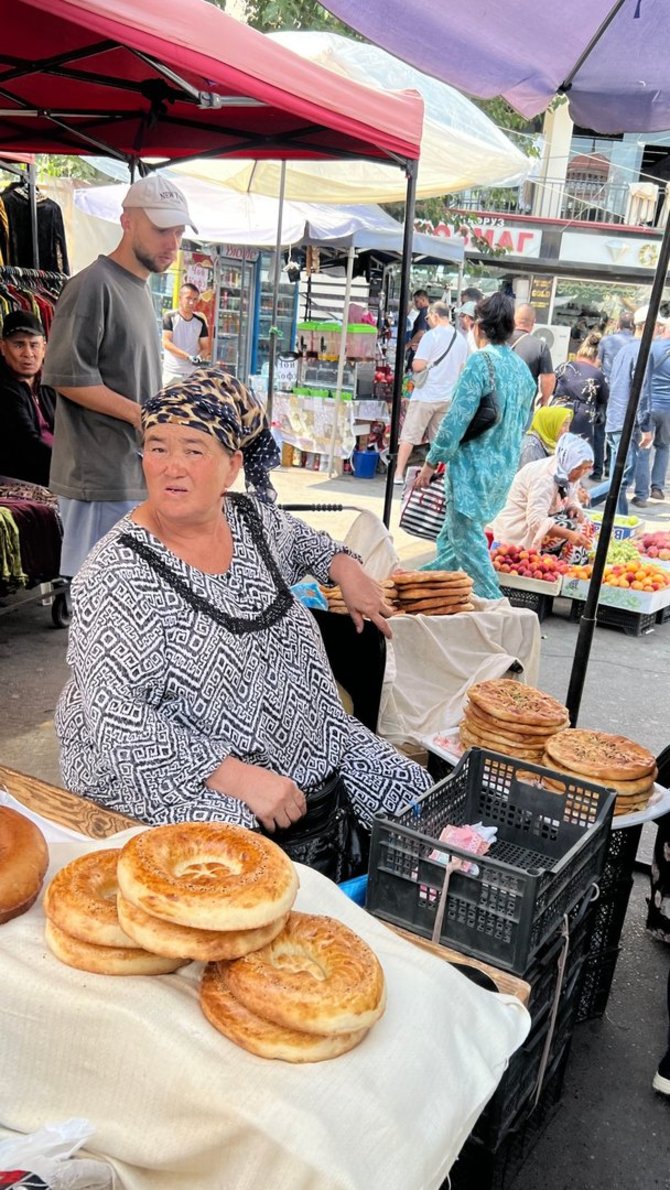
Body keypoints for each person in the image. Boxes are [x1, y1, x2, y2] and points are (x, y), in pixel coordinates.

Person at [55, 369, 432, 839]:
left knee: (414, 792)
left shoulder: (251, 521)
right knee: (248, 856)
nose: (172, 466)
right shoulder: (116, 573)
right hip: (174, 771)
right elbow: (116, 718)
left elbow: (308, 545)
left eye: (194, 450)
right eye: (158, 448)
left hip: (309, 735)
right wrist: (237, 777)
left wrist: (346, 568)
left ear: (232, 466)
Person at [42, 173, 198, 577]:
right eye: (162, 229)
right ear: (127, 221)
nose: (173, 244)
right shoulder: (93, 285)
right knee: (100, 604)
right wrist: (140, 415)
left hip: (132, 470)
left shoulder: (141, 288)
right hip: (98, 478)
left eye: (179, 233)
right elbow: (65, 375)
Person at [413, 293, 536, 598]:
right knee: (452, 541)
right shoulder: (521, 370)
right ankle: (429, 589)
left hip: (472, 470)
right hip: (503, 469)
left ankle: (499, 609)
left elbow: (455, 420)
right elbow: (522, 422)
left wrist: (431, 462)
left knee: (467, 542)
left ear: (478, 327)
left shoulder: (481, 363)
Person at [491, 433, 595, 563]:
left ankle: (563, 566)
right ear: (568, 460)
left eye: (586, 468)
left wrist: (574, 507)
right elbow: (536, 520)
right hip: (517, 531)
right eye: (578, 468)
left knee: (584, 523)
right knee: (570, 527)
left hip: (539, 521)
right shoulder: (544, 478)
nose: (581, 473)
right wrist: (569, 535)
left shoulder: (565, 470)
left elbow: (572, 497)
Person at [394, 300, 467, 485]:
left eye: (428, 317)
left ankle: (398, 473)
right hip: (447, 397)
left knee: (409, 435)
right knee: (439, 440)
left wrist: (426, 362)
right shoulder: (460, 339)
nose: (427, 321)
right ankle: (442, 478)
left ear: (435, 315)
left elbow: (417, 365)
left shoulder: (431, 336)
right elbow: (462, 369)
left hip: (426, 395)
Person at [605, 305, 659, 513]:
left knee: (618, 480)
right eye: (657, 326)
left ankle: (618, 520)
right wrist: (645, 426)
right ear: (647, 326)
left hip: (616, 417)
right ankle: (585, 498)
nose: (659, 331)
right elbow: (642, 391)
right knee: (621, 478)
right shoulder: (642, 351)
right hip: (626, 421)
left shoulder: (625, 349)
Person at [0, 311, 55, 486]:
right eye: (18, 345)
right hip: (22, 479)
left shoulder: (49, 385)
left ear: (44, 348)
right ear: (3, 347)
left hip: (59, 473)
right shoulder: (4, 390)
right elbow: (28, 447)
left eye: (34, 345)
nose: (28, 353)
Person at [551, 331, 609, 446]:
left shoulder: (564, 367)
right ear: (597, 357)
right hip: (582, 417)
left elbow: (552, 388)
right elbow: (604, 399)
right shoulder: (598, 374)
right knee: (579, 452)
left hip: (558, 411)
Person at [634, 321, 670, 503]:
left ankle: (641, 493)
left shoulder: (652, 347)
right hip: (668, 408)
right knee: (664, 447)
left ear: (664, 330)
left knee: (644, 446)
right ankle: (657, 487)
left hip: (650, 403)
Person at [162, 282, 211, 385]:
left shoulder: (200, 321)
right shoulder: (170, 317)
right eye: (188, 298)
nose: (191, 303)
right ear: (180, 298)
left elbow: (205, 347)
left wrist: (199, 357)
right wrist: (187, 356)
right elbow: (166, 342)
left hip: (192, 374)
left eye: (194, 299)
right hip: (172, 372)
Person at [511, 304, 555, 408]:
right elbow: (548, 379)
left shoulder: (499, 340)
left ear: (514, 320)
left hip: (497, 404)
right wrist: (544, 401)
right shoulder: (540, 346)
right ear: (533, 322)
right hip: (523, 407)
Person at [517, 406, 573, 470]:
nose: (567, 430)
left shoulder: (550, 445)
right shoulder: (531, 447)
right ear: (550, 423)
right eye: (564, 424)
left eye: (568, 425)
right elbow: (526, 477)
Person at [405, 288, 430, 368]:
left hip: (417, 350)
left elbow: (420, 333)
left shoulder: (424, 313)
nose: (415, 304)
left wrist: (407, 346)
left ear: (423, 300)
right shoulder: (426, 312)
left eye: (416, 301)